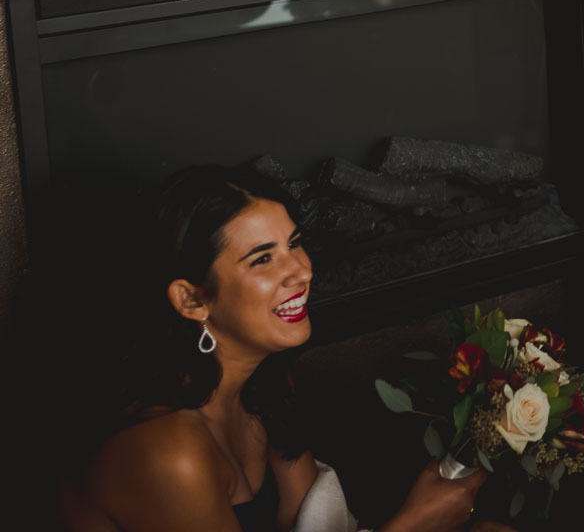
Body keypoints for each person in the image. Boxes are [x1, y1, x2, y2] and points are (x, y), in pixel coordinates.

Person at [58, 166, 488, 532]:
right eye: (263, 259)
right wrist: (412, 525)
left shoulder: (254, 395)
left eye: (294, 243)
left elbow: (320, 522)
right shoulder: (166, 453)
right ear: (192, 300)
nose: (299, 271)